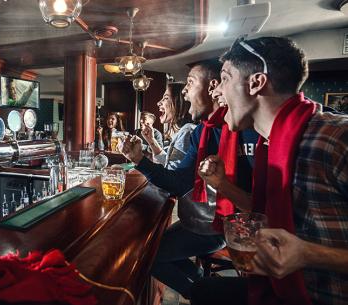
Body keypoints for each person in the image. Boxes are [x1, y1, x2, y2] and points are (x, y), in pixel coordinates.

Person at [193, 37, 348, 305]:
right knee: (203, 291)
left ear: (256, 83)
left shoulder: (336, 137)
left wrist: (309, 254)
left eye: (225, 79)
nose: (216, 93)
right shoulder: (269, 143)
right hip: (280, 290)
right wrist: (222, 184)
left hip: (322, 296)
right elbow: (266, 211)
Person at [119, 59, 258, 300]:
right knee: (152, 253)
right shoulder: (200, 133)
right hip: (203, 222)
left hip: (228, 229)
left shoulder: (248, 129)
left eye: (190, 82)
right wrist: (140, 160)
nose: (183, 90)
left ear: (213, 86)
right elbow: (179, 182)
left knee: (147, 255)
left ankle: (206, 294)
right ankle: (207, 291)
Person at [141, 82, 195, 169]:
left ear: (179, 103)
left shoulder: (187, 132)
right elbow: (167, 163)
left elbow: (171, 176)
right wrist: (151, 141)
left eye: (166, 98)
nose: (158, 103)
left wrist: (136, 159)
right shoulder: (183, 131)